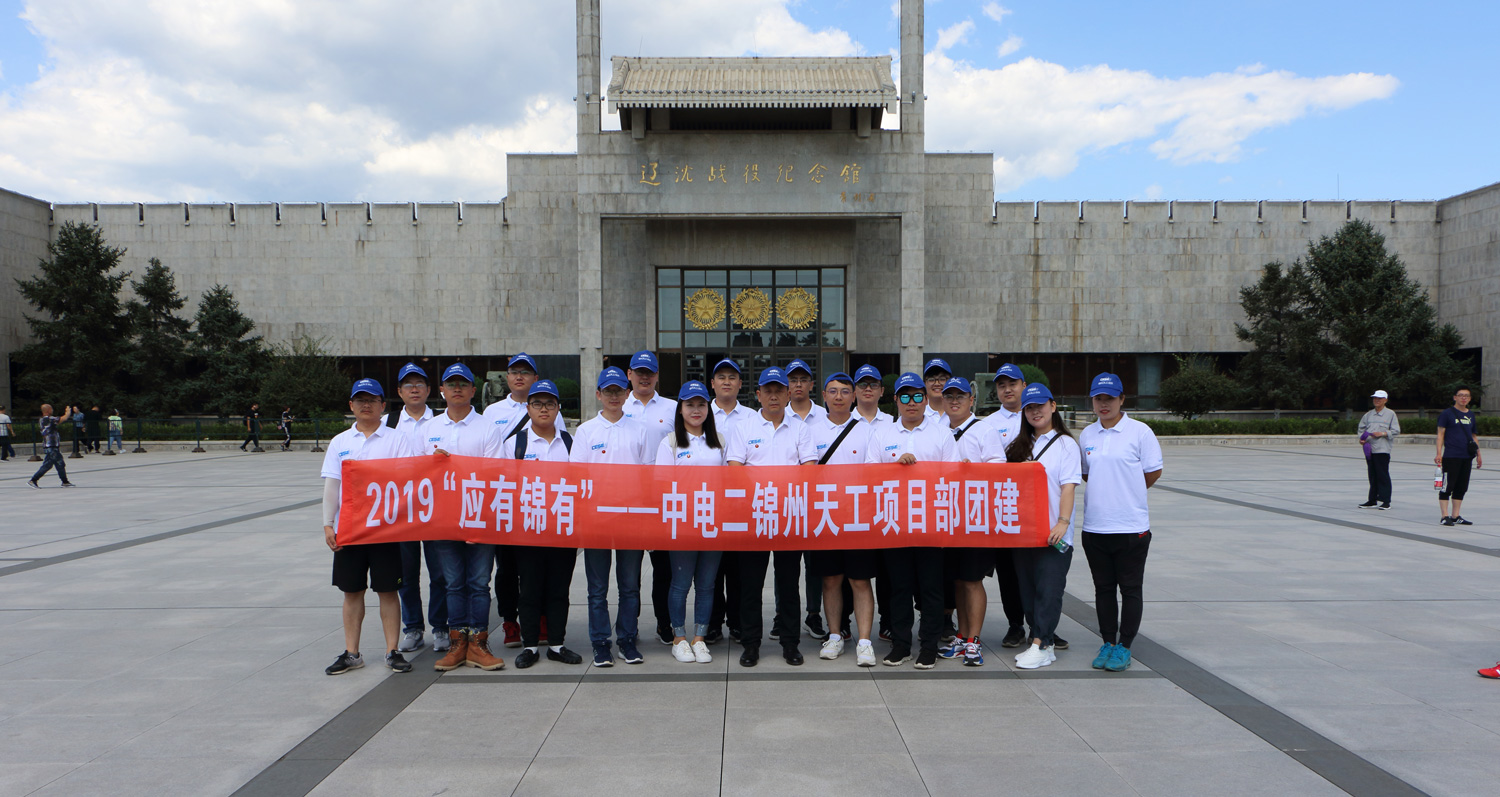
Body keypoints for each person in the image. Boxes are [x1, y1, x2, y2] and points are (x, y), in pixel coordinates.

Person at [321, 378, 419, 675]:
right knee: (352, 591)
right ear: (351, 405)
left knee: (388, 590)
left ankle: (392, 651)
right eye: (360, 400)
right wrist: (328, 524)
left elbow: (408, 480)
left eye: (372, 400)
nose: (366, 405)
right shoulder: (340, 442)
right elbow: (332, 486)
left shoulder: (396, 440)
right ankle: (352, 652)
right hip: (350, 529)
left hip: (385, 529)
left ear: (382, 406)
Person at [867, 372, 960, 669]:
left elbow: (954, 476)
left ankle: (928, 645)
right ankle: (901, 644)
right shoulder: (882, 435)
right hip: (894, 523)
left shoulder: (941, 434)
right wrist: (895, 468)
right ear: (895, 400)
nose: (912, 402)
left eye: (917, 396)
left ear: (926, 399)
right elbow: (870, 476)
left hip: (931, 524)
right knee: (899, 588)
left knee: (931, 589)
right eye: (905, 396)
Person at [726, 365, 815, 667]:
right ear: (758, 394)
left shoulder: (801, 429)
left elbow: (809, 470)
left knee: (789, 584)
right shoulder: (745, 428)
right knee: (750, 584)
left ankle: (790, 644)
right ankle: (751, 644)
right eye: (769, 390)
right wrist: (765, 489)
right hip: (755, 514)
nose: (774, 396)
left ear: (789, 394)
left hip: (790, 514)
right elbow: (736, 471)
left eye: (780, 390)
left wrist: (779, 489)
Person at [423, 363, 507, 672]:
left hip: (480, 518)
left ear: (473, 390)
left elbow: (495, 473)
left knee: (479, 582)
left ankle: (479, 643)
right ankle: (457, 644)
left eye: (463, 383)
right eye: (451, 383)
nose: (457, 388)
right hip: (443, 520)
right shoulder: (429, 429)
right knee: (452, 583)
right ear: (442, 389)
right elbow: (416, 475)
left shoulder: (487, 428)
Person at [1079, 372, 1163, 673]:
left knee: (1130, 588)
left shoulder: (1140, 432)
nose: (1104, 404)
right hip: (1096, 527)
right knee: (1103, 588)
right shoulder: (1087, 435)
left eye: (1110, 399)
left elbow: (1153, 472)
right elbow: (1087, 473)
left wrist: (1129, 490)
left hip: (1131, 527)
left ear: (1122, 399)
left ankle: (1124, 646)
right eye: (1099, 399)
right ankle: (1107, 641)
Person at [572, 366, 651, 667]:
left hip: (631, 519)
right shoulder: (586, 431)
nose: (614, 396)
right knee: (597, 589)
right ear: (598, 395)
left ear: (627, 393)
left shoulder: (639, 430)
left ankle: (627, 639)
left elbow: (648, 479)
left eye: (619, 391)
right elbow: (577, 479)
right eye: (608, 391)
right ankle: (600, 642)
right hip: (597, 522)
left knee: (630, 585)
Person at [1004, 383, 1082, 670]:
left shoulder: (1065, 444)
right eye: (1029, 407)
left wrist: (1062, 522)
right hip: (1024, 533)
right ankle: (1044, 643)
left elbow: (1068, 487)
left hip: (1053, 534)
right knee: (1028, 591)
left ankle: (1038, 643)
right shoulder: (1018, 445)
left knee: (1049, 590)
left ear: (1053, 406)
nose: (1035, 411)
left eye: (1040, 405)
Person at [808, 372, 880, 667]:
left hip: (859, 517)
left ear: (854, 397)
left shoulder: (868, 430)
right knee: (831, 579)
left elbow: (876, 472)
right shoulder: (809, 429)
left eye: (845, 391)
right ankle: (835, 635)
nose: (839, 396)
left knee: (860, 580)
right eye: (833, 391)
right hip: (825, 516)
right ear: (823, 396)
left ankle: (864, 641)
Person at [512, 380, 583, 668]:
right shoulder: (515, 444)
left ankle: (557, 644)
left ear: (558, 408)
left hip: (562, 529)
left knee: (558, 589)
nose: (544, 409)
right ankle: (529, 645)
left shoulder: (570, 443)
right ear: (528, 408)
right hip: (526, 529)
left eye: (550, 404)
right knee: (528, 589)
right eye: (538, 403)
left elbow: (582, 485)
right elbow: (500, 486)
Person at [657, 380, 727, 664]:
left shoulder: (719, 440)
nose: (696, 410)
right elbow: (662, 485)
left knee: (708, 584)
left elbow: (728, 482)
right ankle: (679, 637)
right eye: (690, 405)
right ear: (680, 409)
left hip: (712, 522)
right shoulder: (671, 442)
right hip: (682, 523)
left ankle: (699, 638)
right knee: (681, 583)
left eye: (701, 404)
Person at [387, 362, 447, 656]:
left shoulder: (441, 421)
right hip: (400, 510)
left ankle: (440, 627)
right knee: (406, 573)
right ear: (399, 391)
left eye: (419, 384)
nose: (414, 389)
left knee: (439, 572)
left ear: (429, 390)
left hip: (434, 508)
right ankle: (412, 627)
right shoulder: (388, 422)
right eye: (408, 385)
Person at [977, 363, 1038, 651]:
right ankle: (1016, 625)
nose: (1007, 389)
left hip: (1035, 507)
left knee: (1038, 570)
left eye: (1012, 383)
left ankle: (1042, 625)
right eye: (1001, 385)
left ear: (1024, 385)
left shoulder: (1038, 417)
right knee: (1008, 571)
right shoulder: (987, 424)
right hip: (1001, 507)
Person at [622, 349, 679, 646]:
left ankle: (664, 623)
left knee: (663, 570)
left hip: (663, 500)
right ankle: (628, 629)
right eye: (638, 372)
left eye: (649, 372)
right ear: (629, 374)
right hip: (628, 500)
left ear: (657, 376)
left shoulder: (671, 408)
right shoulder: (618, 404)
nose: (644, 377)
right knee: (629, 573)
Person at [483, 352, 539, 648]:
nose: (520, 376)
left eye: (526, 372)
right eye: (515, 372)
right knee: (506, 568)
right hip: (505, 501)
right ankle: (509, 621)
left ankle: (539, 618)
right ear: (507, 377)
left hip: (538, 501)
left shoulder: (546, 407)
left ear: (535, 379)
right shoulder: (492, 412)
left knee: (538, 566)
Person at [939, 377, 995, 666]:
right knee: (958, 580)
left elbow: (1000, 472)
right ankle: (962, 635)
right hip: (947, 519)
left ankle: (975, 640)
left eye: (960, 396)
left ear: (971, 400)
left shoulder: (984, 431)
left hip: (976, 518)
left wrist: (976, 472)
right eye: (949, 396)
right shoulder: (936, 430)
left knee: (973, 580)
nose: (954, 401)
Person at [783, 358, 828, 641]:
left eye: (803, 380)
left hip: (816, 504)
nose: (798, 385)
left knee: (815, 565)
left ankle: (813, 614)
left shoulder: (824, 417)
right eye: (793, 380)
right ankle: (782, 617)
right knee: (785, 567)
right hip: (783, 504)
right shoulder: (772, 414)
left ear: (812, 384)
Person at [708, 357, 752, 644]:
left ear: (740, 383)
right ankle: (711, 624)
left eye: (732, 377)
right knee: (712, 570)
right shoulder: (698, 412)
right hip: (708, 503)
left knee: (738, 570)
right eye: (721, 376)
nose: (726, 381)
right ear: (712, 383)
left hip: (741, 505)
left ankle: (737, 622)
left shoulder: (751, 417)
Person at [852, 364, 896, 642]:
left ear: (881, 391)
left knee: (888, 570)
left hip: (887, 507)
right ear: (855, 390)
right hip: (851, 509)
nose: (867, 389)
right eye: (862, 384)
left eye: (873, 384)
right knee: (854, 572)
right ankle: (842, 624)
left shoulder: (893, 423)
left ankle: (888, 621)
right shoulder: (842, 420)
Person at [1437, 386, 1483, 526]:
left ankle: (1455, 515)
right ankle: (1445, 516)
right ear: (1455, 397)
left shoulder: (1471, 415)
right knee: (1447, 486)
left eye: (1467, 396)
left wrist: (1479, 453)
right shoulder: (1447, 414)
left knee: (1461, 487)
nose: (1464, 398)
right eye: (1461, 395)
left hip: (1466, 456)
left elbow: (1473, 435)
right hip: (1451, 456)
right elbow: (1440, 434)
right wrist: (1439, 453)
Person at [1357, 390, 1399, 510]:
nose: (1377, 400)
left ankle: (1386, 501)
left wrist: (1382, 433)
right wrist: (1362, 439)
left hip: (1382, 449)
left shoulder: (1390, 414)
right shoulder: (1368, 415)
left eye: (1380, 398)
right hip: (1370, 450)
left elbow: (1396, 431)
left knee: (1382, 475)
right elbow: (1361, 428)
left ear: (1385, 400)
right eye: (1375, 398)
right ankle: (1372, 500)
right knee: (1372, 475)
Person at [28, 404, 75, 488]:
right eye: (51, 409)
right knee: (52, 464)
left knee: (58, 464)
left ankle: (65, 481)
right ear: (48, 410)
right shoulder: (48, 419)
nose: (52, 410)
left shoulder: (43, 419)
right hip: (51, 446)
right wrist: (68, 412)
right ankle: (33, 480)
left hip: (51, 446)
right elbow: (63, 419)